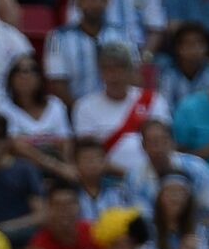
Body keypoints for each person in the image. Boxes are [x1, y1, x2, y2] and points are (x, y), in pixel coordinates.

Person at [72, 44, 171, 178]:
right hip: (108, 180)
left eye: (120, 69)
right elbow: (88, 154)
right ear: (100, 73)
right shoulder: (84, 106)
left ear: (131, 71)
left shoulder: (154, 100)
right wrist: (132, 177)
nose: (114, 76)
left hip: (152, 178)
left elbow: (165, 143)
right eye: (108, 70)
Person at [44, 0, 134, 107]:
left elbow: (133, 75)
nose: (94, 2)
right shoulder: (57, 38)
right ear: (78, 1)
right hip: (76, 112)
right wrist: (81, 113)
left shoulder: (122, 35)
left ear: (107, 0)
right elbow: (58, 83)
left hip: (119, 111)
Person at [0, 55, 74, 183]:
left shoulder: (55, 105)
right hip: (22, 172)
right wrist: (57, 167)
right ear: (11, 78)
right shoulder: (3, 108)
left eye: (31, 70)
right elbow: (16, 146)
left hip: (60, 169)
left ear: (40, 77)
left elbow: (65, 141)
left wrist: (68, 166)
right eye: (19, 71)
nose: (25, 76)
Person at [0, 112, 44, 247]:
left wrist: (10, 227)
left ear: (7, 139)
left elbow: (41, 214)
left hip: (22, 237)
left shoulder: (25, 170)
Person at [156, 22, 209, 115]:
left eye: (200, 43)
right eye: (190, 44)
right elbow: (165, 107)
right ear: (178, 48)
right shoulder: (168, 74)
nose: (195, 49)